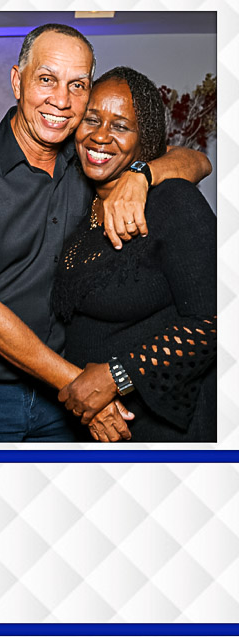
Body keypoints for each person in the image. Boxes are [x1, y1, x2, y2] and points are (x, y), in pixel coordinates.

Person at [0, 24, 211, 442]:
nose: (61, 100)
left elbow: (196, 160)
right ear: (17, 81)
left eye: (77, 85)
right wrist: (84, 386)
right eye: (47, 79)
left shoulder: (86, 161)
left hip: (62, 401)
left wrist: (142, 175)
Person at [53, 67, 215, 441]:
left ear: (146, 140)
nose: (100, 136)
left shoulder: (174, 202)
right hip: (91, 425)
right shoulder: (81, 200)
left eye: (121, 126)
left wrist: (118, 375)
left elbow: (218, 320)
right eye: (91, 119)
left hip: (163, 431)